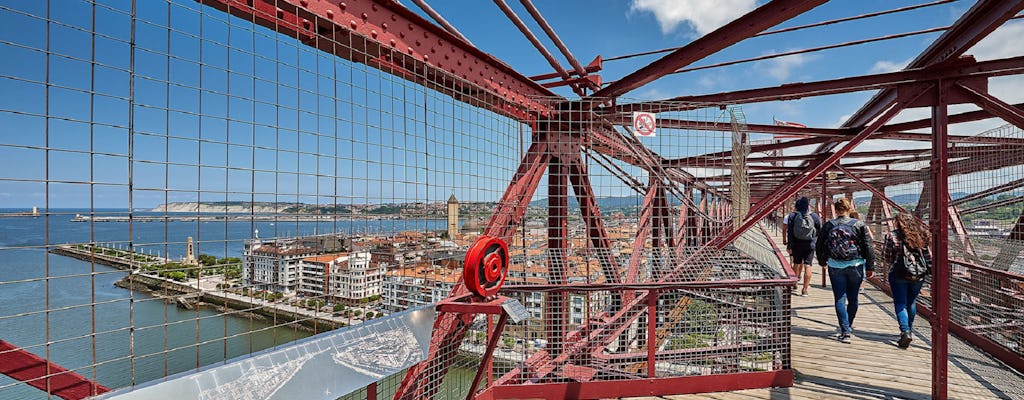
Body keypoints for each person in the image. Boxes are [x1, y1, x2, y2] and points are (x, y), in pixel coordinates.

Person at [816, 197, 874, 344]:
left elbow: (819, 245)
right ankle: (849, 325)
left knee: (840, 299)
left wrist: (822, 261)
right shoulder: (859, 225)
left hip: (835, 266)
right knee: (853, 299)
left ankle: (845, 330)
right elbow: (868, 247)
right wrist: (870, 267)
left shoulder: (829, 225)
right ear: (849, 209)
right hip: (856, 265)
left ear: (835, 210)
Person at [882, 212, 931, 348]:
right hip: (918, 276)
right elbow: (927, 257)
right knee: (911, 302)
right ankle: (909, 330)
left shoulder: (892, 235)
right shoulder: (921, 236)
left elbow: (887, 257)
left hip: (899, 274)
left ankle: (905, 331)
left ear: (898, 223)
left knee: (900, 303)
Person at [784, 197, 821, 296]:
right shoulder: (814, 216)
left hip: (796, 244)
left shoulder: (792, 216)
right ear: (808, 206)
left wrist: (789, 246)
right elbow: (820, 229)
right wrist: (814, 237)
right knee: (808, 265)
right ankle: (805, 290)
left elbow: (790, 232)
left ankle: (795, 283)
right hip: (810, 244)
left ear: (797, 206)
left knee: (796, 264)